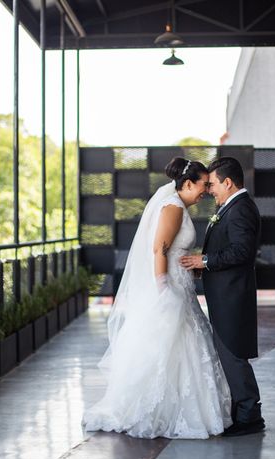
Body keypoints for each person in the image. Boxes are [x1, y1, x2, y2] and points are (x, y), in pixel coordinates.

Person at [82, 157, 232, 439]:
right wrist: (163, 288)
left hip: (182, 284)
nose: (205, 191)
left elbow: (172, 249)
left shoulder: (178, 206)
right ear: (187, 183)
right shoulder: (173, 207)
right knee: (170, 347)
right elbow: (159, 250)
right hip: (171, 288)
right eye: (202, 185)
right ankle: (161, 411)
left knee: (182, 347)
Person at [180, 156, 264, 437]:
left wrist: (204, 261)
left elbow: (242, 252)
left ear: (228, 183)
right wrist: (204, 266)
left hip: (233, 297)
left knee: (233, 355)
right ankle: (243, 411)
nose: (210, 190)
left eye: (213, 184)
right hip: (226, 294)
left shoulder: (240, 210)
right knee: (230, 354)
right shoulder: (233, 207)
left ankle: (249, 416)